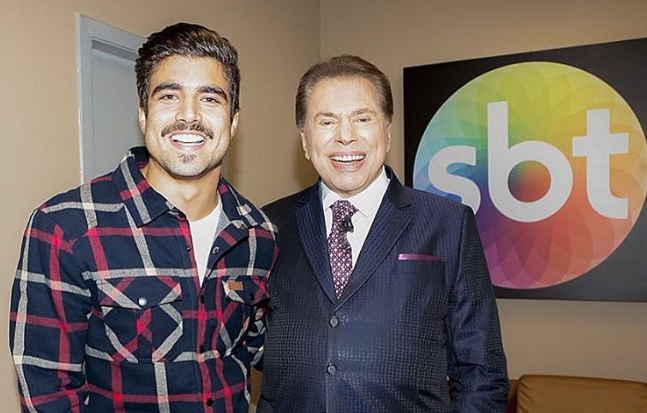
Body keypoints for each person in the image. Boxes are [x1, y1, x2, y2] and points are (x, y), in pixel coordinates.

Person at [10, 23, 277, 413]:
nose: (189, 116)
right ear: (143, 112)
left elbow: (261, 354)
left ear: (234, 121)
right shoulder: (64, 228)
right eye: (169, 96)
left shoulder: (258, 234)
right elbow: (48, 394)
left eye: (210, 98)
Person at [258, 55, 509, 413]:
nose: (346, 136)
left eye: (363, 118)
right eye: (327, 121)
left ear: (387, 130)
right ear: (305, 139)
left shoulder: (448, 223)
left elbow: (481, 371)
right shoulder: (269, 225)